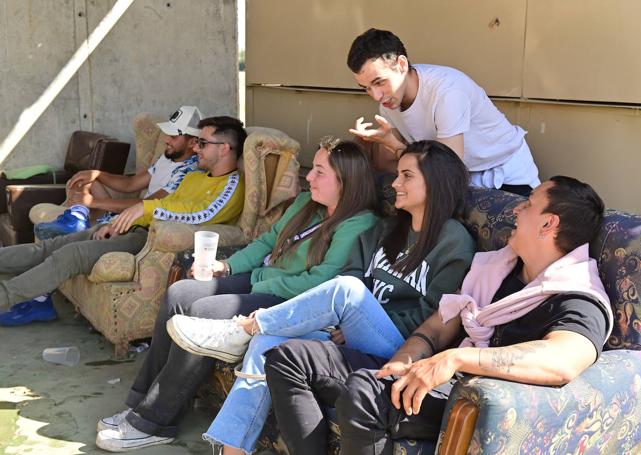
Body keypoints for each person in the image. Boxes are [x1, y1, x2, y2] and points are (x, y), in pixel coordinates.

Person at [165, 140, 476, 455]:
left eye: (406, 176)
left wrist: (357, 316)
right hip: (353, 329)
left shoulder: (453, 242)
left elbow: (432, 315)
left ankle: (245, 327)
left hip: (400, 344)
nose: (395, 183)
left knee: (345, 291)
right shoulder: (388, 229)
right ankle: (233, 450)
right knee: (267, 343)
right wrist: (353, 320)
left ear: (435, 184)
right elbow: (355, 272)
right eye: (397, 174)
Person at [264, 176, 613, 454]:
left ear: (548, 224)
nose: (516, 211)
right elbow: (437, 326)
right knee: (290, 357)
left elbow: (564, 359)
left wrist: (457, 359)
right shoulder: (498, 268)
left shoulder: (578, 294)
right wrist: (403, 360)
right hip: (437, 375)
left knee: (365, 393)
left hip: (476, 397)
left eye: (529, 204)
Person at [94, 137, 380, 452]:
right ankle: (142, 399)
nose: (309, 177)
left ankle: (154, 421)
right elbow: (267, 240)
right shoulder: (306, 204)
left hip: (289, 300)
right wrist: (227, 267)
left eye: (320, 172)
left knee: (202, 311)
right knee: (180, 293)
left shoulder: (359, 223)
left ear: (346, 181)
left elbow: (321, 281)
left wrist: (258, 282)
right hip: (263, 280)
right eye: (312, 169)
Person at [0, 116, 247, 318]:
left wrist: (142, 210)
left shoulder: (232, 185)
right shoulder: (195, 176)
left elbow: (201, 215)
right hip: (137, 227)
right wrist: (118, 223)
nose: (196, 148)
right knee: (50, 247)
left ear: (224, 148)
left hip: (153, 240)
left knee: (70, 255)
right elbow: (159, 200)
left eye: (202, 143)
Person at [347, 28, 540, 196]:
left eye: (379, 82)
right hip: (457, 180)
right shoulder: (388, 104)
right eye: (366, 88)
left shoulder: (447, 91)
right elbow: (407, 165)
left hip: (505, 173)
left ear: (402, 65)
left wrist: (393, 144)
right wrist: (385, 142)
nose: (376, 95)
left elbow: (448, 167)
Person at [33, 106, 204, 237]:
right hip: (130, 212)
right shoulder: (168, 157)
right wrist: (96, 174)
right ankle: (76, 221)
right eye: (167, 133)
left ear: (192, 142)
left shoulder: (189, 172)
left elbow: (146, 205)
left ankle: (76, 225)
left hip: (139, 220)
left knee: (87, 207)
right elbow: (132, 184)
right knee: (85, 180)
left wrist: (94, 202)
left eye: (173, 136)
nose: (166, 139)